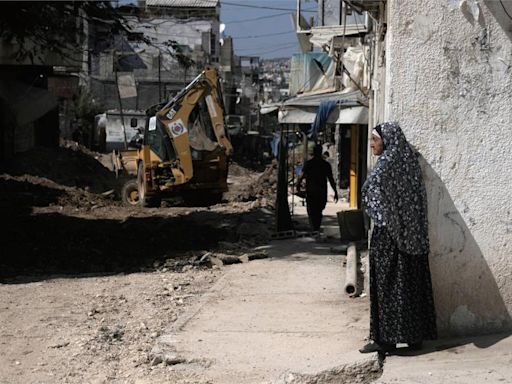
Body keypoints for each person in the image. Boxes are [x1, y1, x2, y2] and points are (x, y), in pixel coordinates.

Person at [360, 122, 437, 354]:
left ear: (387, 140)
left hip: (389, 235)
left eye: (375, 139)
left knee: (387, 285)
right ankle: (414, 338)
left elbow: (369, 189)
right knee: (410, 283)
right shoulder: (409, 159)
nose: (372, 144)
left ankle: (385, 340)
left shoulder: (387, 161)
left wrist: (383, 217)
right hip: (413, 236)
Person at [297, 144, 338, 232]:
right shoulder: (325, 164)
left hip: (312, 190)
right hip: (320, 191)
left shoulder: (310, 164)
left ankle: (314, 227)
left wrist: (298, 186)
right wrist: (335, 192)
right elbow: (331, 179)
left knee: (313, 210)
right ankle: (316, 227)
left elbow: (301, 176)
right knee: (318, 210)